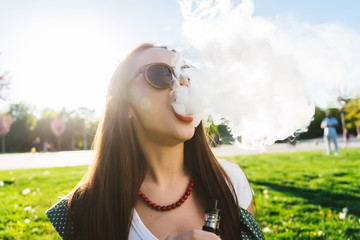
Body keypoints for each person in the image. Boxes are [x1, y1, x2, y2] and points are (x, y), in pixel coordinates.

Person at [45, 43, 264, 240]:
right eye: (161, 74)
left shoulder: (230, 180)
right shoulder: (85, 208)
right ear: (124, 106)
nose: (183, 84)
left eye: (187, 75)